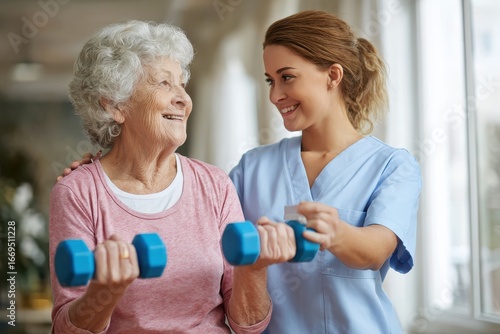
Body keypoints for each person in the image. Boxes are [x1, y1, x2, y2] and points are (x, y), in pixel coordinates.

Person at [61, 10, 422, 333]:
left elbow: (376, 250)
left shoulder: (392, 165)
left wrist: (334, 231)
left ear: (333, 76)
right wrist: (98, 176)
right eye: (269, 81)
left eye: (287, 77)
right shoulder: (252, 169)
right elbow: (189, 217)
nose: (275, 95)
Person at [49, 20, 299, 334]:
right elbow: (65, 329)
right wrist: (106, 291)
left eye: (182, 84)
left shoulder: (215, 185)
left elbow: (248, 324)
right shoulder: (78, 192)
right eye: (164, 84)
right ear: (114, 104)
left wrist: (255, 268)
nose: (183, 98)